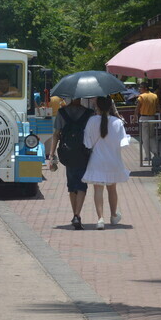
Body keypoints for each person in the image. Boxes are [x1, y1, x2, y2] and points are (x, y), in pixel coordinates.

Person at [82, 96, 131, 230]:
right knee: (112, 188)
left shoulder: (91, 120)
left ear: (97, 106)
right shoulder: (117, 122)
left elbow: (87, 143)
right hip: (113, 160)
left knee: (98, 189)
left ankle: (100, 219)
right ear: (110, 106)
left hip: (97, 160)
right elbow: (123, 143)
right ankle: (114, 215)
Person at [48, 97, 94, 230]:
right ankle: (77, 215)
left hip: (67, 153)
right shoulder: (89, 113)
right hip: (83, 153)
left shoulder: (62, 112)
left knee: (71, 184)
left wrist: (51, 154)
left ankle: (75, 214)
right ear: (81, 97)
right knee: (82, 185)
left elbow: (56, 134)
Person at [135, 82, 159, 163]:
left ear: (145, 88)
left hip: (144, 118)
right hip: (152, 118)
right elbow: (157, 107)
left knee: (145, 138)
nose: (139, 89)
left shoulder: (141, 96)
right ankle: (156, 153)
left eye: (141, 87)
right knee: (152, 136)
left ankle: (148, 156)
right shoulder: (154, 96)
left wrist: (135, 116)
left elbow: (137, 108)